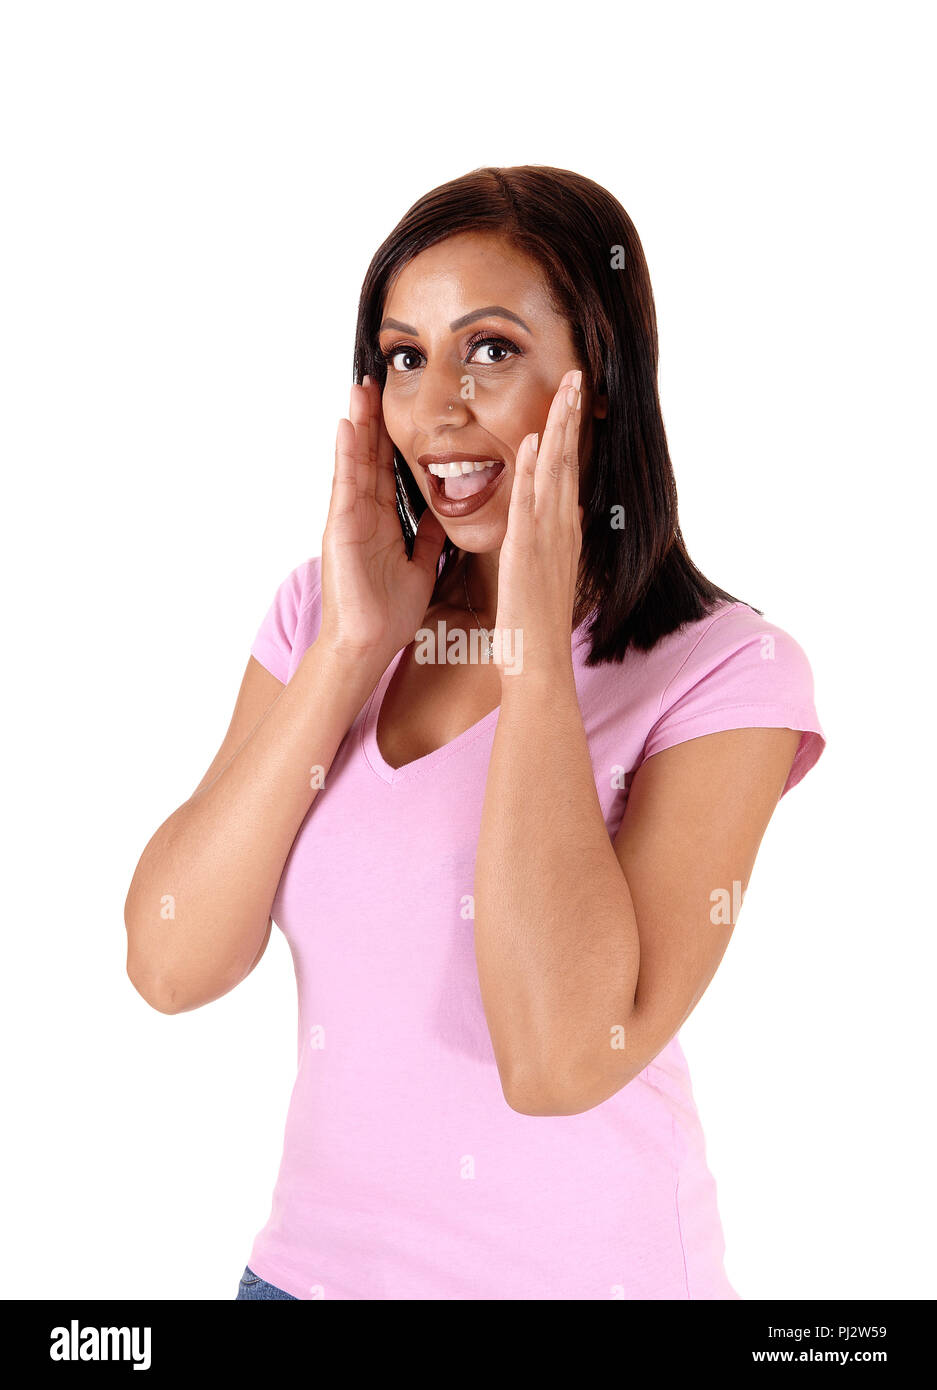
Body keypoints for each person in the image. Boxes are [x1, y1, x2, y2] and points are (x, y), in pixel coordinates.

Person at [124, 166, 826, 1301]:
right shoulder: (321, 616)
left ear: (598, 380)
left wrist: (534, 648)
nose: (437, 406)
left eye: (489, 349)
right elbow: (169, 959)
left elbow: (559, 1061)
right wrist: (353, 647)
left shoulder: (726, 674)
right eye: (405, 356)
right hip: (303, 1283)